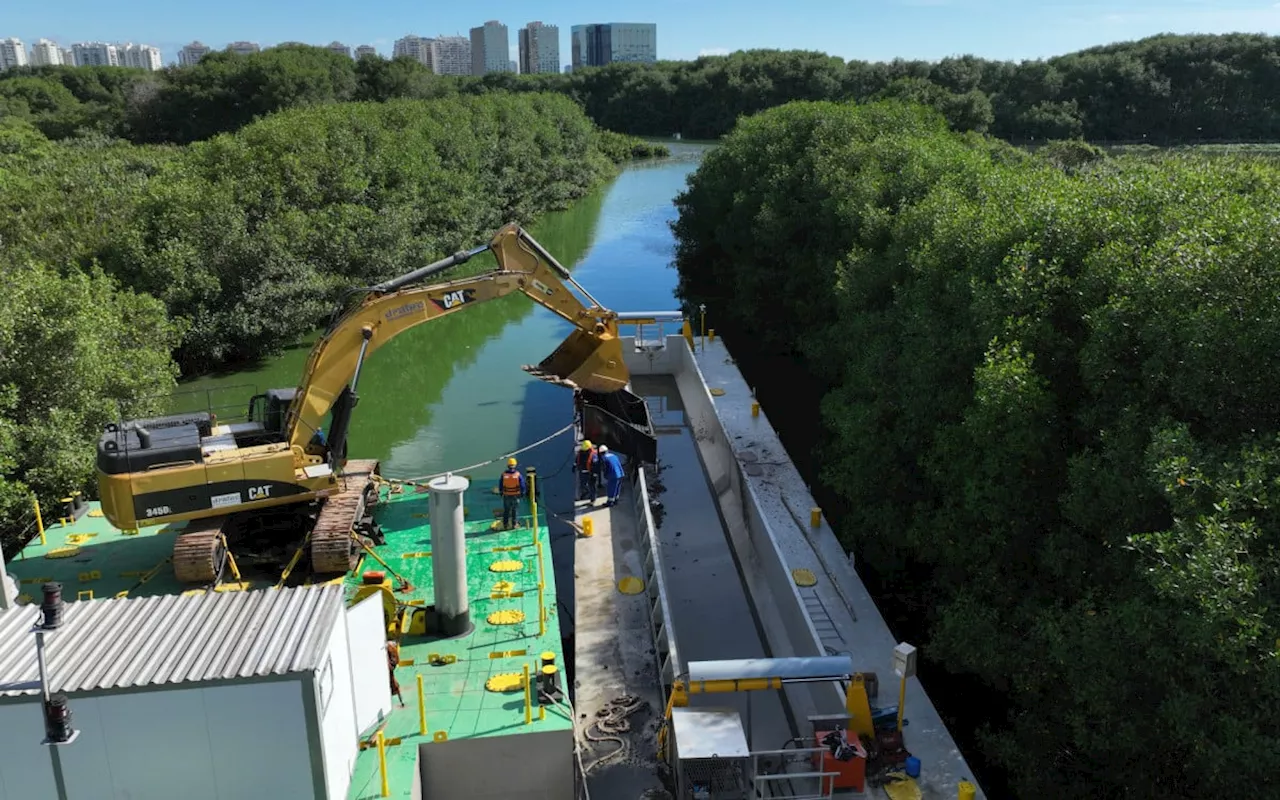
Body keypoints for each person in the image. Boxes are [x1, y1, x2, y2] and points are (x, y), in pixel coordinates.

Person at [499, 457, 526, 530]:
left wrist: (501, 492)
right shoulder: (518, 475)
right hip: (515, 495)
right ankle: (514, 524)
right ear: (515, 465)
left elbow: (501, 484)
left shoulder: (504, 475)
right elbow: (522, 485)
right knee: (515, 510)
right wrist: (522, 493)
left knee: (506, 510)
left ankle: (505, 524)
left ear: (508, 465)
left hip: (506, 495)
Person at [387, 640, 405, 706]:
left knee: (395, 685)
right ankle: (401, 701)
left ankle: (401, 701)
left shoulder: (391, 649)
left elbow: (395, 661)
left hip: (390, 669)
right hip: (390, 668)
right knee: (395, 686)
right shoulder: (392, 649)